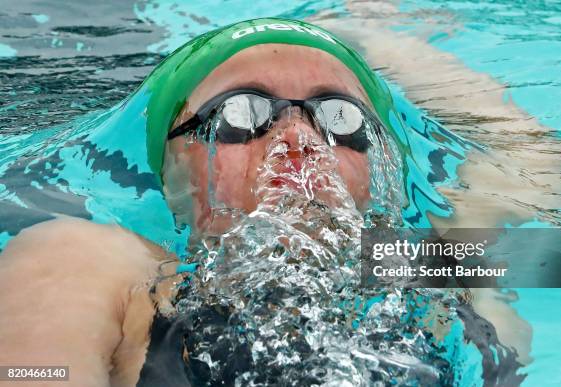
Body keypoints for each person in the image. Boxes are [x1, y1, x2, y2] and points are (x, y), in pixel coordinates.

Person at [0, 18, 528, 386]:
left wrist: (375, 29)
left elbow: (526, 154)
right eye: (243, 113)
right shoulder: (89, 263)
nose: (298, 137)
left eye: (339, 116)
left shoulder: (436, 270)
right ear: (174, 171)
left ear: (378, 170)